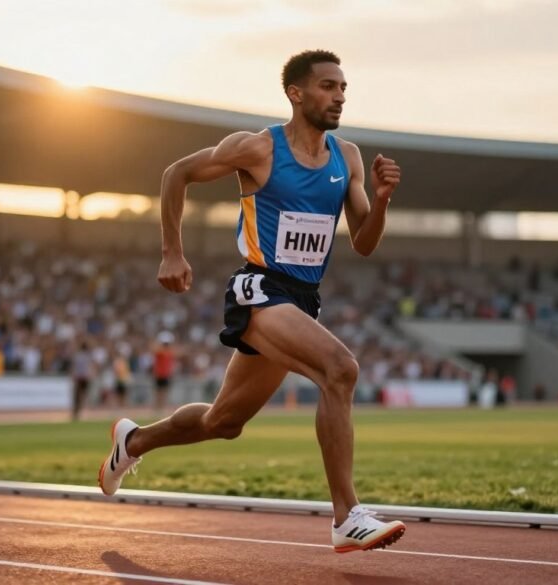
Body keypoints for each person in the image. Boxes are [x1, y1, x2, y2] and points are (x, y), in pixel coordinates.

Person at [98, 50, 405, 553]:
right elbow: (176, 173)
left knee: (224, 422)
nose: (340, 97)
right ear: (296, 93)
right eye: (328, 87)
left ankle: (133, 441)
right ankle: (346, 516)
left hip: (302, 300)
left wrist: (383, 197)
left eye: (344, 88)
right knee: (340, 370)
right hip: (259, 289)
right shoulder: (258, 148)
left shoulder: (347, 157)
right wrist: (172, 252)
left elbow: (364, 243)